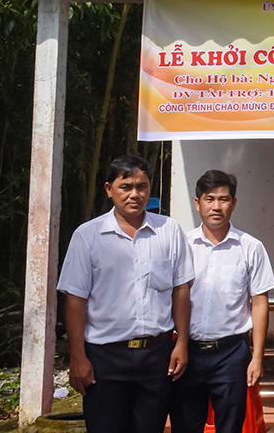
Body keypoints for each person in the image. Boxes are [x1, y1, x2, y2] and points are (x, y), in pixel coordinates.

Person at [57, 154, 194, 433]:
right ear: (109, 189)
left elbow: (181, 289)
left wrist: (182, 343)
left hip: (157, 355)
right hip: (105, 357)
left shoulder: (169, 231)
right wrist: (77, 356)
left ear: (150, 187)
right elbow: (76, 300)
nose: (134, 194)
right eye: (126, 187)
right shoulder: (88, 236)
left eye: (141, 186)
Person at [170, 170, 274, 433]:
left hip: (231, 354)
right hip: (187, 352)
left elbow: (259, 302)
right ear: (198, 203)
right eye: (209, 199)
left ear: (234, 203)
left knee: (230, 426)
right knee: (185, 424)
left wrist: (257, 357)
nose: (216, 206)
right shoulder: (182, 245)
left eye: (223, 199)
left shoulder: (250, 247)